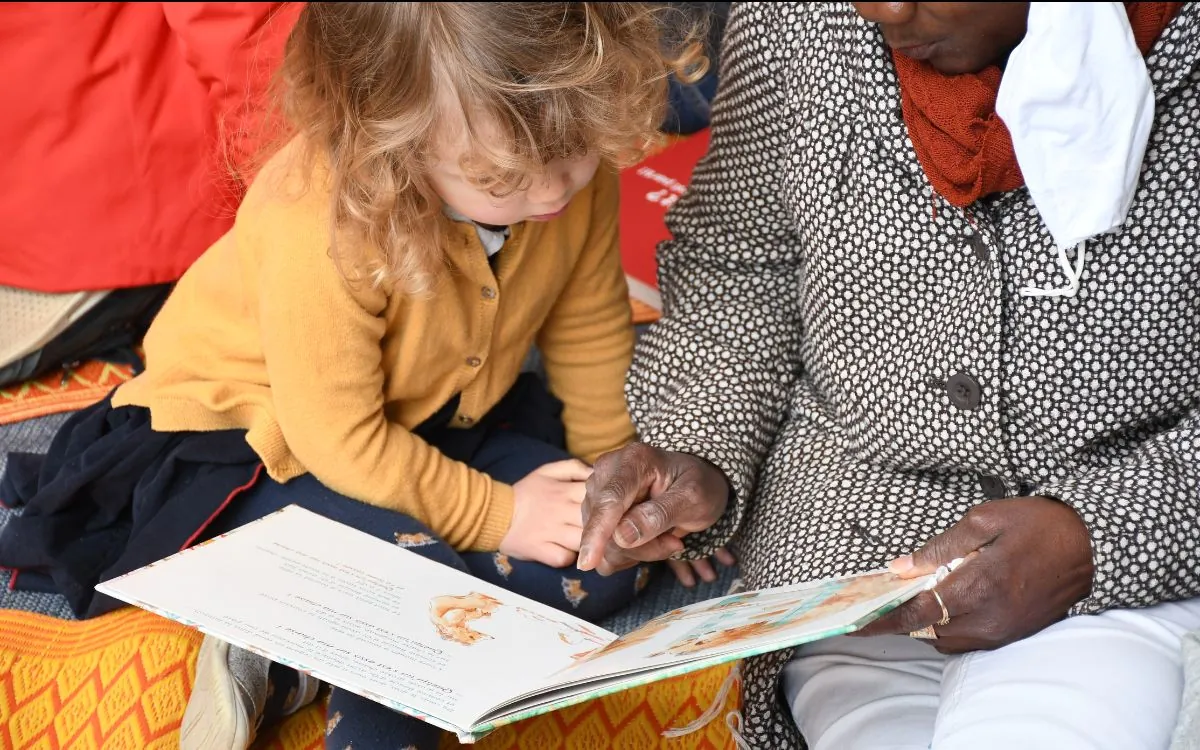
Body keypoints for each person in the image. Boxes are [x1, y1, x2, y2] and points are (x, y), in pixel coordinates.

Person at [0, 3, 705, 749]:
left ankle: (296, 642)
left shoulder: (563, 166)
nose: (552, 192)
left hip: (433, 420)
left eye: (575, 155)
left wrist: (617, 475)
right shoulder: (320, 216)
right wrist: (500, 516)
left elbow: (589, 327)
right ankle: (357, 683)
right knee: (419, 592)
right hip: (255, 439)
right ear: (393, 145)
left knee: (605, 559)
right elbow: (335, 434)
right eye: (504, 179)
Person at [576, 2, 1200, 749]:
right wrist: (701, 448)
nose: (886, 9)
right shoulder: (793, 21)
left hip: (1118, 580)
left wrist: (1098, 538)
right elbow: (738, 264)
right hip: (853, 569)